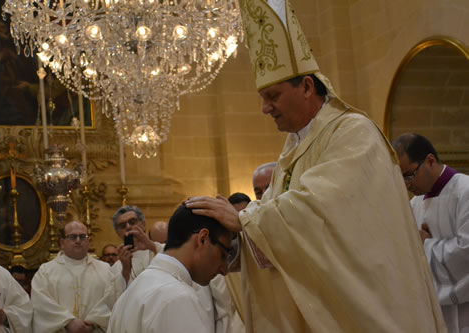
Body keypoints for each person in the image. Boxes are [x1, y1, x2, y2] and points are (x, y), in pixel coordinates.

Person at [185, 0, 446, 331]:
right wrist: (232, 246)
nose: (265, 108)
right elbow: (291, 238)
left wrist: (246, 219)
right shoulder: (292, 151)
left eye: (273, 96)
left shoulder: (353, 133)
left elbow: (321, 213)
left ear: (307, 87)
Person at [108, 205, 234, 333]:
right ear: (202, 239)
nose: (224, 269)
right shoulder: (178, 298)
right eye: (223, 255)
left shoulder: (126, 297)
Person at [393, 133, 469, 333]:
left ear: (430, 160)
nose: (406, 184)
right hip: (434, 315)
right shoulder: (415, 204)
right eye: (400, 178)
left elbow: (466, 251)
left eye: (409, 174)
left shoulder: (465, 191)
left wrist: (426, 245)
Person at [31, 221, 117, 332]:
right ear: (62, 243)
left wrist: (93, 322)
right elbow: (41, 303)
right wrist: (68, 322)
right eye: (72, 237)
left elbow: (111, 300)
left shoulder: (105, 269)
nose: (78, 241)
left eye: (82, 236)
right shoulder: (46, 271)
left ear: (89, 241)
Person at [110, 205, 164, 291]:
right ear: (118, 233)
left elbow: (176, 261)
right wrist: (126, 270)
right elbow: (117, 299)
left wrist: (151, 246)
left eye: (132, 222)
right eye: (122, 225)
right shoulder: (117, 268)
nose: (128, 227)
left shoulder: (159, 248)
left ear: (143, 224)